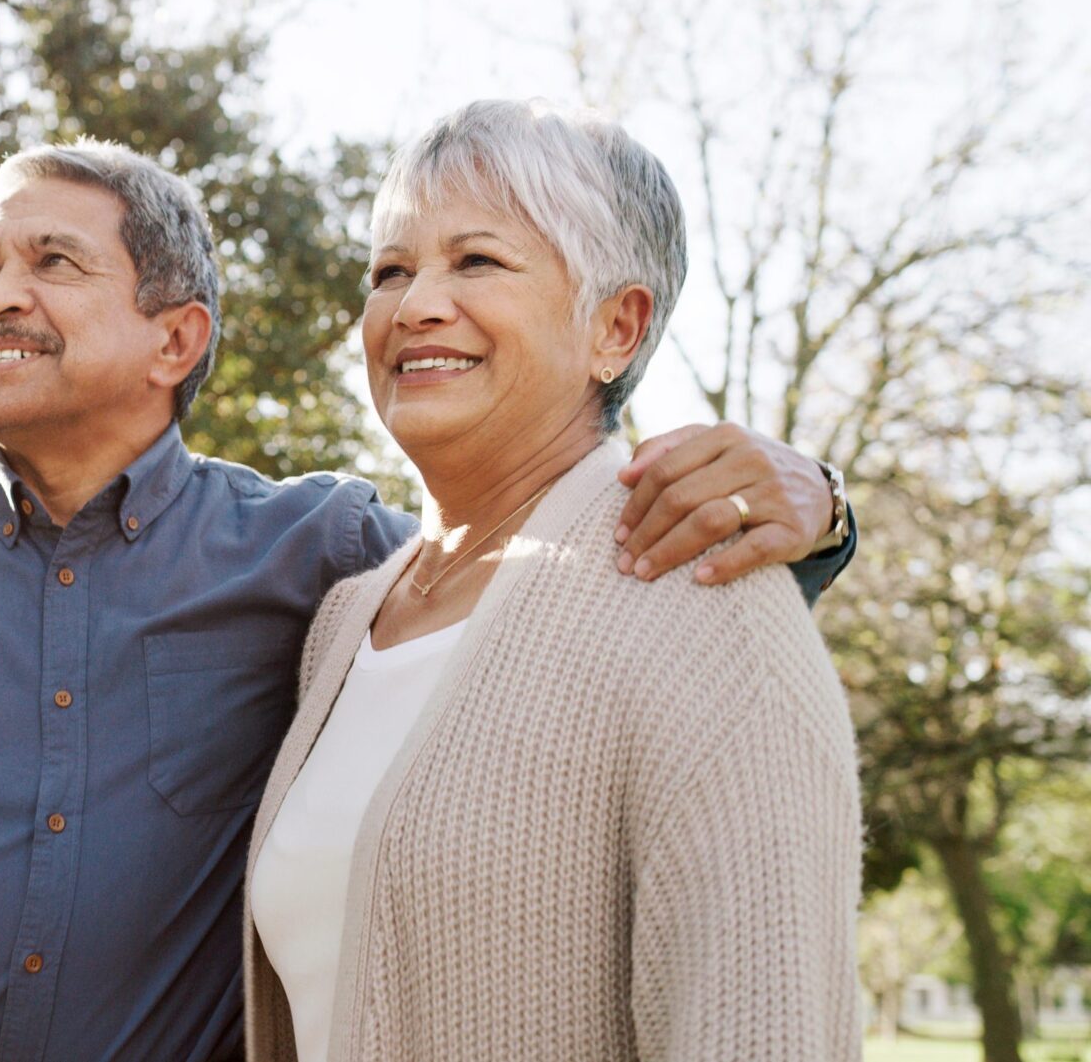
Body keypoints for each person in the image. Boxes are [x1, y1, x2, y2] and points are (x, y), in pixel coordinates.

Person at [0, 138, 856, 1061]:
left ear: (174, 339)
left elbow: (547, 590)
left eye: (52, 263)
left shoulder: (325, 560)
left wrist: (817, 515)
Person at [244, 100, 861, 1062]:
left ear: (617, 327)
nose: (414, 306)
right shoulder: (345, 621)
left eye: (477, 260)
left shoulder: (711, 604)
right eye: (390, 271)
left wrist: (825, 503)